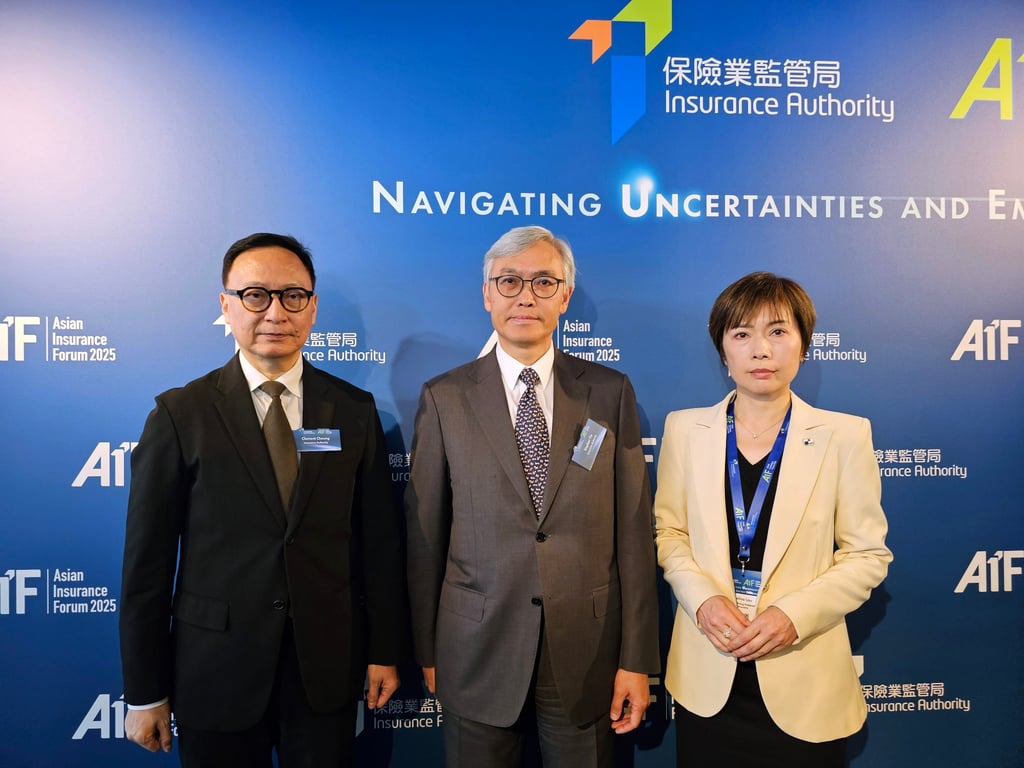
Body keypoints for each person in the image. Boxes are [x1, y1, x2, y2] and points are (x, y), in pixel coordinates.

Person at [119, 232, 408, 767]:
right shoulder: (181, 415)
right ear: (226, 305)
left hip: (326, 673)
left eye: (292, 296)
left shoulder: (353, 410)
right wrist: (144, 691)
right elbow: (146, 569)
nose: (275, 311)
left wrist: (386, 652)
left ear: (313, 308)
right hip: (215, 672)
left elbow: (379, 547)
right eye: (256, 295)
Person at [404, 225, 660, 768]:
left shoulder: (609, 392)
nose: (526, 295)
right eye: (510, 281)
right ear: (487, 295)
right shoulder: (444, 396)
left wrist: (637, 658)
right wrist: (427, 651)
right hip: (474, 647)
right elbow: (426, 536)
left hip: (587, 649)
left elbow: (635, 534)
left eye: (544, 282)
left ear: (565, 296)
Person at [654, 271, 892, 767]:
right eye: (742, 334)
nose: (760, 350)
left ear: (804, 345)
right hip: (708, 674)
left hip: (803, 677)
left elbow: (866, 555)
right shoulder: (684, 429)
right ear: (723, 351)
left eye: (778, 332)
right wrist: (702, 601)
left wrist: (793, 617)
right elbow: (670, 534)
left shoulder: (844, 436)